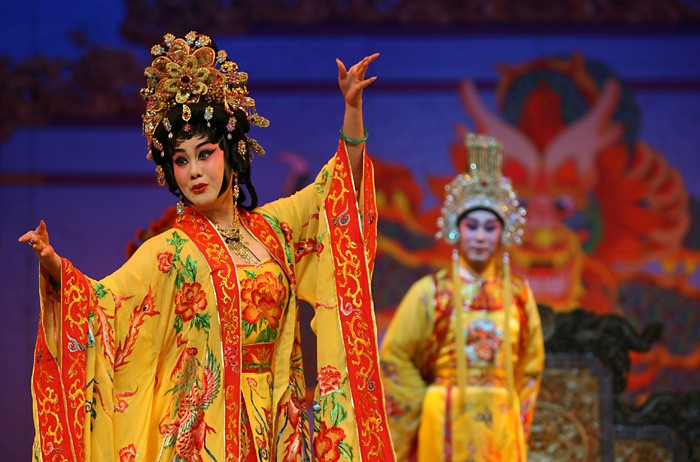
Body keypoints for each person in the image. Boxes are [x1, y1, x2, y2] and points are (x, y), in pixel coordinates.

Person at [20, 31, 395, 461]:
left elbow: (336, 194)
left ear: (232, 152)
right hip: (206, 433)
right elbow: (102, 306)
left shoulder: (274, 228)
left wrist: (352, 112)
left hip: (278, 421)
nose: (194, 171)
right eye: (181, 160)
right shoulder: (170, 251)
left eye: (205, 153)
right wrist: (55, 267)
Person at [379, 134, 545, 461]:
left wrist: (516, 411)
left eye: (489, 227)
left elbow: (531, 364)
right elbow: (394, 356)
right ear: (457, 230)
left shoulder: (518, 295)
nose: (480, 236)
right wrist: (423, 402)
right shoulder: (431, 292)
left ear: (503, 233)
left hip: (500, 417)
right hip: (444, 415)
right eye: (472, 226)